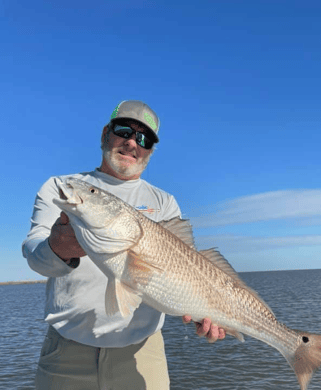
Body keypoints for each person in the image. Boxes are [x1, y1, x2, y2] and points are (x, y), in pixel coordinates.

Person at [22, 100, 226, 390]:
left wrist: (199, 310)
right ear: (106, 132)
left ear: (150, 150)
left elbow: (185, 275)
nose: (132, 143)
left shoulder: (165, 203)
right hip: (65, 351)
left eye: (144, 138)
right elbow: (34, 255)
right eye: (124, 131)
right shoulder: (63, 186)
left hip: (143, 354)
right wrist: (56, 249)